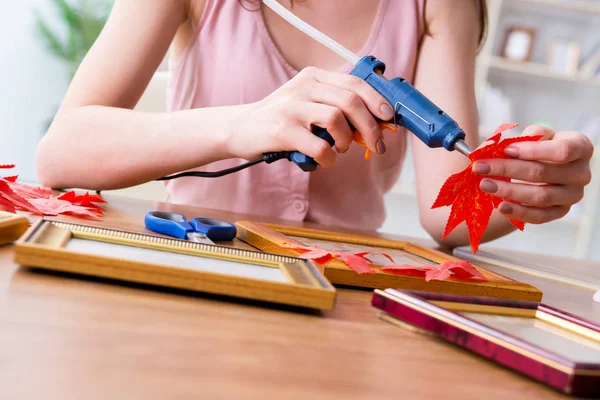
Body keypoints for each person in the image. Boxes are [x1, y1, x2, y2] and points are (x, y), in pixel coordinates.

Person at [36, 0, 594, 248]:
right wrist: (245, 125)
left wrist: (524, 187)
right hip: (190, 261)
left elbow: (448, 215)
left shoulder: (437, 4)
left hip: (338, 292)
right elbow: (63, 153)